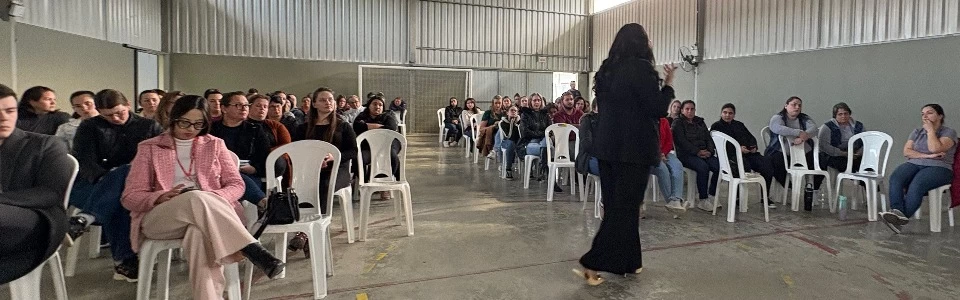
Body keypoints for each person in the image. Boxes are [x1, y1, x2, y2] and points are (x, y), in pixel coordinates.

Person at [122, 95, 284, 299]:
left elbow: (237, 184)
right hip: (161, 217)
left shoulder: (215, 144)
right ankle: (249, 247)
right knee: (194, 198)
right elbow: (130, 197)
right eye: (184, 122)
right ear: (173, 118)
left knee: (198, 232)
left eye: (198, 124)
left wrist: (212, 197)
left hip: (207, 217)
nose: (190, 129)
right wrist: (160, 196)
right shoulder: (149, 148)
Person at [576, 23, 676, 285]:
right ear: (639, 43)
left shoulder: (606, 70)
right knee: (625, 209)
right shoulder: (641, 69)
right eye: (648, 39)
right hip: (634, 151)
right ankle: (592, 261)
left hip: (607, 149)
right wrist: (668, 85)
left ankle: (630, 261)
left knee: (619, 208)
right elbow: (657, 109)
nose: (651, 43)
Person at [69, 89, 163, 282]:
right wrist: (106, 177)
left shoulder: (149, 126)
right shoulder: (90, 127)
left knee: (125, 178)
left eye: (119, 112)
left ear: (128, 105)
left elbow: (160, 158)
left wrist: (122, 176)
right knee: (121, 197)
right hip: (93, 184)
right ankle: (124, 261)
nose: (115, 118)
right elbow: (84, 162)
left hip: (137, 183)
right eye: (108, 115)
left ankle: (85, 220)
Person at [0, 83, 74, 285]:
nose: (4, 117)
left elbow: (51, 193)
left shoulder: (46, 144)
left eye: (10, 111)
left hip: (38, 216)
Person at [879, 104, 957, 234]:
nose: (925, 116)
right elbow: (907, 152)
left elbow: (935, 148)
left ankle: (899, 218)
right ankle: (897, 212)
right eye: (923, 113)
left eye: (929, 113)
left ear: (940, 116)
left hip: (940, 167)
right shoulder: (916, 132)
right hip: (915, 163)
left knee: (918, 183)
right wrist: (929, 156)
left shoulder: (949, 132)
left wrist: (931, 131)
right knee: (896, 177)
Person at [293, 87, 358, 214]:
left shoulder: (343, 126)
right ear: (314, 104)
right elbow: (297, 150)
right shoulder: (302, 128)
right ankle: (303, 223)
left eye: (330, 99)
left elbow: (353, 151)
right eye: (323, 100)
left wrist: (334, 156)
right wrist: (313, 159)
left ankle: (318, 224)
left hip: (338, 168)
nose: (328, 102)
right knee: (301, 186)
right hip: (311, 168)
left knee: (324, 185)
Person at [209, 92, 272, 207]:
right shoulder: (211, 130)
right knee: (232, 176)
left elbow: (266, 156)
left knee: (238, 178)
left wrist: (254, 169)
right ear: (224, 108)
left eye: (246, 105)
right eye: (238, 105)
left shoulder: (255, 130)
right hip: (217, 172)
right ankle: (263, 202)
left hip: (247, 172)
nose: (244, 108)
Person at [710, 103, 776, 207]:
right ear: (721, 113)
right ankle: (738, 197)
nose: (727, 115)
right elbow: (720, 145)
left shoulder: (739, 125)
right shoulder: (716, 126)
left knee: (766, 164)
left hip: (747, 154)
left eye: (730, 113)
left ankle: (765, 197)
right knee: (743, 166)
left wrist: (753, 147)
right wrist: (738, 149)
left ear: (734, 115)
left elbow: (750, 137)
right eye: (725, 112)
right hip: (730, 156)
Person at [764, 96, 822, 209]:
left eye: (799, 105)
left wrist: (802, 138)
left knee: (821, 161)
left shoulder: (804, 118)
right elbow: (777, 128)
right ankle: (789, 187)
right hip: (781, 151)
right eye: (794, 104)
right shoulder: (778, 117)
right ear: (786, 106)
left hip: (802, 152)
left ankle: (811, 190)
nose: (797, 107)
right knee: (773, 163)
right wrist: (798, 132)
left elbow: (814, 129)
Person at [672, 100, 720, 211]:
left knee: (719, 166)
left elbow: (708, 138)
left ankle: (712, 195)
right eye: (687, 109)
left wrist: (709, 151)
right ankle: (703, 199)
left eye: (692, 109)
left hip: (704, 152)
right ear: (682, 110)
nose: (690, 111)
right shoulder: (678, 123)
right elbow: (681, 142)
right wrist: (697, 152)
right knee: (703, 167)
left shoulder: (700, 122)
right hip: (686, 155)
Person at [353, 95, 401, 200]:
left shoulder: (388, 115)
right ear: (369, 106)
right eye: (374, 104)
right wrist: (378, 127)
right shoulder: (362, 116)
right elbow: (356, 127)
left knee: (391, 157)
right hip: (368, 147)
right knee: (357, 158)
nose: (377, 107)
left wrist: (368, 126)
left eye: (380, 105)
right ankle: (365, 183)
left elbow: (391, 128)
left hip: (387, 145)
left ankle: (384, 186)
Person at [653, 114, 687, 214]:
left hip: (664, 152)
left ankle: (675, 200)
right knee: (663, 169)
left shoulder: (664, 121)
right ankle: (673, 203)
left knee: (677, 165)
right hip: (649, 155)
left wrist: (663, 153)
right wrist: (657, 154)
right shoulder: (643, 121)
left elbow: (669, 141)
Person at [818, 102, 866, 172]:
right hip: (835, 155)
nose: (843, 116)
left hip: (855, 154)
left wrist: (859, 152)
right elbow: (824, 146)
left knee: (866, 165)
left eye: (846, 113)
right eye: (840, 114)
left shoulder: (859, 126)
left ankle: (867, 181)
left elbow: (866, 141)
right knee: (846, 165)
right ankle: (858, 180)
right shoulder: (827, 127)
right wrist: (843, 153)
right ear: (835, 116)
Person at [519, 93, 553, 186]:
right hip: (529, 142)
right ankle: (546, 173)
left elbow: (550, 130)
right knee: (548, 148)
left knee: (546, 143)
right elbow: (525, 132)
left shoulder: (545, 114)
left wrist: (544, 135)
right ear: (530, 102)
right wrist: (541, 134)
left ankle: (543, 171)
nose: (537, 102)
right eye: (534, 100)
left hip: (543, 141)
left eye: (539, 100)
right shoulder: (525, 114)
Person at [498, 105, 522, 180]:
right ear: (507, 113)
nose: (513, 112)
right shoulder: (503, 123)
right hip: (506, 141)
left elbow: (522, 134)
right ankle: (508, 169)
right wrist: (512, 123)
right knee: (511, 144)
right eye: (512, 110)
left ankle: (529, 170)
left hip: (518, 142)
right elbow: (509, 135)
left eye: (515, 111)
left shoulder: (521, 122)